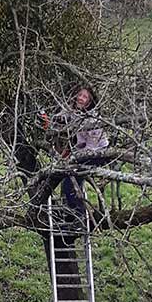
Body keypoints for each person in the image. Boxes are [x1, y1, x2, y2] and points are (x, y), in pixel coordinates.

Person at [40, 85, 109, 219]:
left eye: (85, 97)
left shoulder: (93, 119)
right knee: (63, 175)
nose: (81, 98)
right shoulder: (73, 111)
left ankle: (79, 217)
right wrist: (48, 120)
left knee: (70, 183)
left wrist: (73, 157)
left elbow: (91, 148)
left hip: (98, 153)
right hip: (82, 150)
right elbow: (59, 118)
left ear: (90, 102)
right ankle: (69, 215)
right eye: (80, 95)